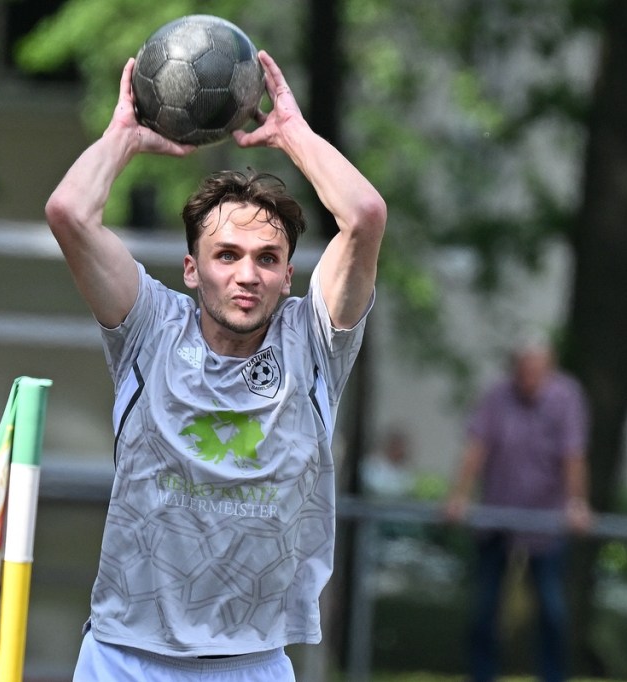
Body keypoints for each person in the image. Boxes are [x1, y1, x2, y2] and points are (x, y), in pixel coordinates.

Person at [45, 49, 386, 681]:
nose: (246, 274)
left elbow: (364, 217)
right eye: (226, 255)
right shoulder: (150, 326)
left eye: (266, 257)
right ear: (191, 269)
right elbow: (68, 213)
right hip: (124, 659)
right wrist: (122, 137)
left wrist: (294, 134)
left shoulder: (312, 342)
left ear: (288, 275)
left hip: (250, 663)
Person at [444, 334, 592, 682]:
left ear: (549, 368)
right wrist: (459, 496)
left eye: (535, 370)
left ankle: (552, 677)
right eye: (522, 370)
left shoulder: (566, 397)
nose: (528, 378)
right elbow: (477, 447)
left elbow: (573, 456)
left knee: (552, 610)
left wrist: (577, 503)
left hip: (546, 522)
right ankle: (481, 676)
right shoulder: (497, 396)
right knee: (484, 608)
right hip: (497, 518)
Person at [361, 427, 414, 500]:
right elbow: (375, 486)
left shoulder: (403, 470)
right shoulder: (374, 464)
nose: (401, 450)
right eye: (398, 446)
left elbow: (408, 488)